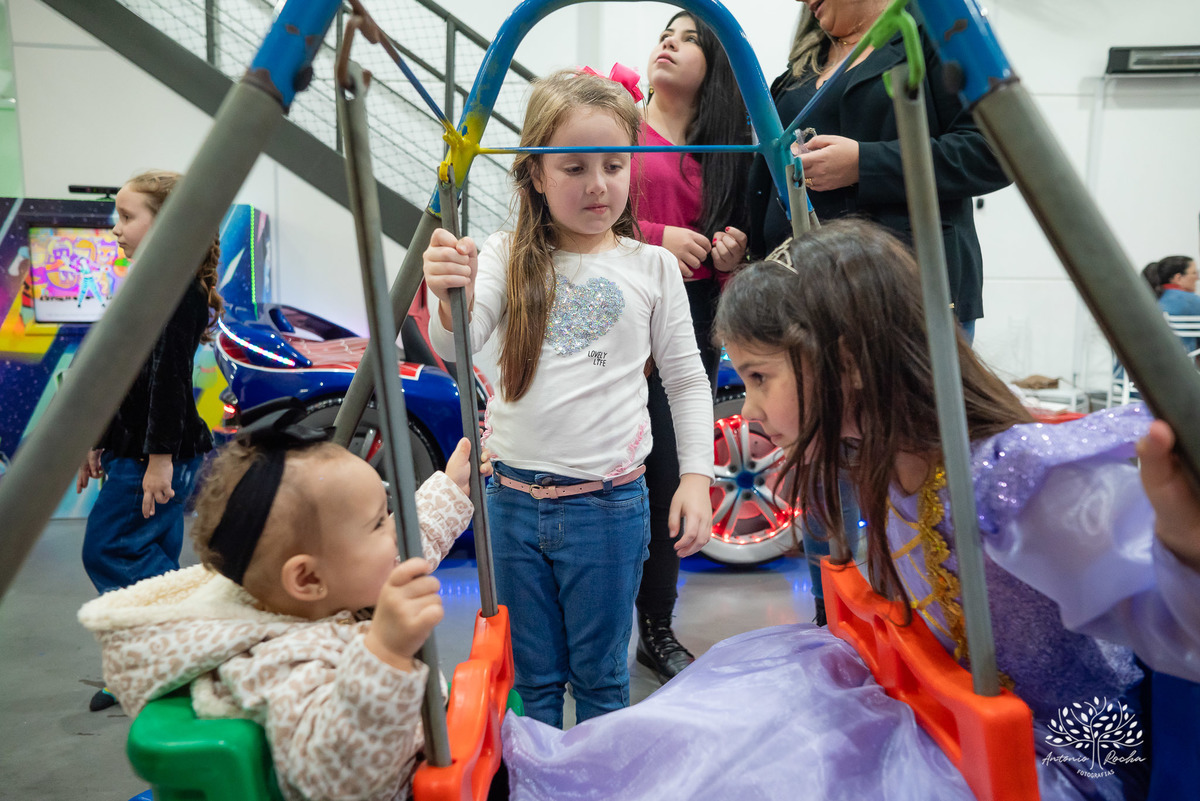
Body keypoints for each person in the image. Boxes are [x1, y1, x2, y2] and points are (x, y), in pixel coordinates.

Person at [499, 221, 1200, 800]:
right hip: (938, 709)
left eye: (760, 377)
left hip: (1064, 753)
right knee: (703, 734)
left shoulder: (1009, 481)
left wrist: (1181, 542)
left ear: (847, 364)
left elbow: (1176, 639)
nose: (748, 408)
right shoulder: (873, 464)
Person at [423, 68, 714, 728]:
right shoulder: (502, 254)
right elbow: (462, 339)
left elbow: (687, 381)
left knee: (605, 679)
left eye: (615, 165)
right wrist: (447, 292)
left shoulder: (652, 267)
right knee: (536, 681)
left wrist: (696, 476)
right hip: (510, 504)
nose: (598, 184)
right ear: (535, 175)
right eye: (574, 167)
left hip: (608, 508)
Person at [79, 422, 478, 801]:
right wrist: (386, 654)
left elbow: (400, 550)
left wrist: (449, 489)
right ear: (306, 579)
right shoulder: (277, 658)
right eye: (378, 524)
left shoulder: (332, 591)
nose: (394, 530)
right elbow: (337, 777)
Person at [747, 0, 1010, 342]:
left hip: (905, 291)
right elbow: (765, 179)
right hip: (799, 297)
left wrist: (863, 164)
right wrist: (743, 242)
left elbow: (994, 152)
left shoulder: (935, 36)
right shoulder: (798, 69)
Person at [629, 11, 752, 682]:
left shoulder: (726, 153)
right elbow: (574, 214)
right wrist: (658, 237)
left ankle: (656, 627)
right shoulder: (618, 125)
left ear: (716, 68)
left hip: (690, 323)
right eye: (665, 33)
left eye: (690, 37)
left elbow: (734, 257)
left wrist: (731, 254)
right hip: (616, 320)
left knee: (670, 480)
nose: (669, 42)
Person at [75, 169, 223, 712]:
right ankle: (156, 664)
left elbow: (166, 381)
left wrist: (157, 460)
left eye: (127, 216)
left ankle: (191, 637)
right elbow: (120, 376)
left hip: (156, 454)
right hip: (134, 447)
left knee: (108, 549)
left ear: (166, 224)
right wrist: (96, 440)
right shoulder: (145, 281)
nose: (115, 226)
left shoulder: (176, 290)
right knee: (153, 553)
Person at [1152, 256, 1200, 354]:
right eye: (1194, 273)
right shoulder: (1191, 301)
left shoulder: (1154, 299)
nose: (1197, 278)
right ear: (1178, 278)